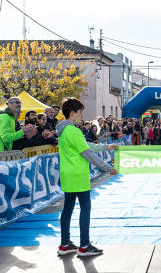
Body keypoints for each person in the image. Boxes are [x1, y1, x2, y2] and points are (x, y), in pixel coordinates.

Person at [56, 97, 118, 257]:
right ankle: (84, 246)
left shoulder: (63, 131)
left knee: (67, 209)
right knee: (85, 208)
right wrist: (108, 168)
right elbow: (87, 153)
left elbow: (85, 146)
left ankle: (65, 244)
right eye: (80, 112)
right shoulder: (74, 131)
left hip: (67, 175)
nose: (82, 115)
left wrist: (105, 146)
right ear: (72, 113)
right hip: (78, 175)